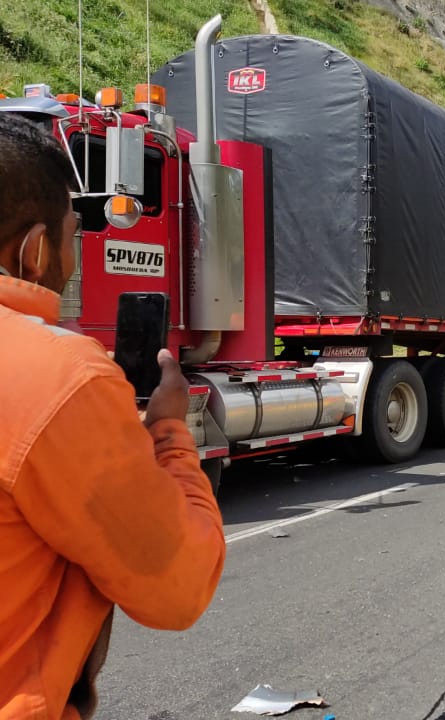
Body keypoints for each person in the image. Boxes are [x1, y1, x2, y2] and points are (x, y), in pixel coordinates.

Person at [0, 112, 225, 718]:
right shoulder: (58, 377)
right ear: (34, 249)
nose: (76, 256)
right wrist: (170, 432)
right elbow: (177, 587)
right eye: (76, 234)